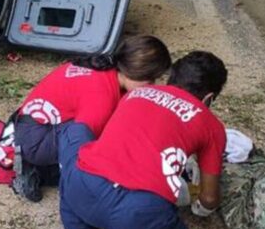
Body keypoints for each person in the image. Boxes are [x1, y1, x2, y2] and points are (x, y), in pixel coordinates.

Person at [58, 51, 228, 229]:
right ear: (209, 98)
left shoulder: (136, 93)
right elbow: (209, 198)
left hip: (81, 187)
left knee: (75, 143)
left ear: (170, 78)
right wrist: (199, 203)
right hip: (139, 213)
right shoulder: (212, 126)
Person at [11, 35, 172, 202]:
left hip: (31, 124)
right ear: (136, 73)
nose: (153, 86)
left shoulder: (106, 67)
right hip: (37, 141)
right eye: (151, 79)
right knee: (109, 146)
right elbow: (81, 146)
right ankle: (40, 172)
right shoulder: (102, 98)